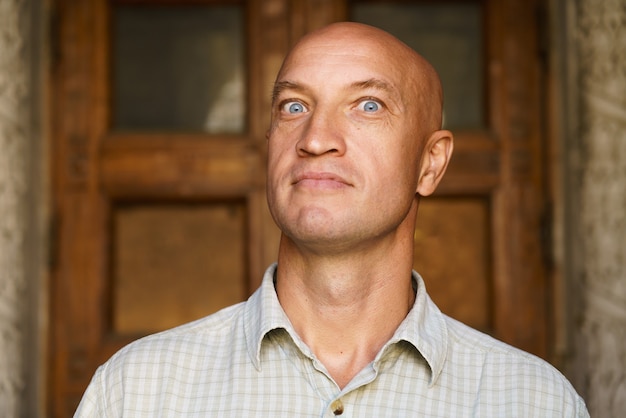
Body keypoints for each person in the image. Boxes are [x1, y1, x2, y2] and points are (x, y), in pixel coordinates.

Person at [75, 22, 588, 417]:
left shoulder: (534, 402)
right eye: (294, 106)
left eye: (368, 105)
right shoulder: (136, 391)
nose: (316, 138)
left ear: (430, 164)